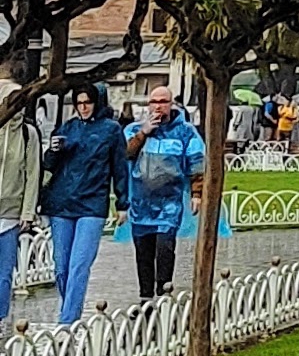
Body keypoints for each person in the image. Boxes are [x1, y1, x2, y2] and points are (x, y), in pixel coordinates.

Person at [42, 81, 128, 324]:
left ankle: (67, 320)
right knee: (61, 266)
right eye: (79, 103)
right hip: (61, 203)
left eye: (87, 102)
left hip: (92, 204)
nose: (83, 107)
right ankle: (69, 307)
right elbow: (49, 165)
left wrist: (123, 202)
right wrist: (53, 151)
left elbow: (120, 167)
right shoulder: (67, 127)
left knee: (80, 264)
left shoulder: (111, 130)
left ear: (96, 102)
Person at [124, 85, 204, 301]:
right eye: (154, 102)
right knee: (143, 252)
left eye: (163, 102)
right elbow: (126, 153)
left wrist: (197, 193)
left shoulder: (186, 132)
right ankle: (146, 297)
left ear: (171, 104)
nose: (158, 106)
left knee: (165, 248)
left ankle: (163, 293)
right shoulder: (134, 129)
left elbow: (196, 162)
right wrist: (143, 133)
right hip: (141, 204)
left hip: (170, 204)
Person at [0, 57, 39, 322]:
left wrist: (27, 212)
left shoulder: (28, 134)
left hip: (10, 215)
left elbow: (33, 173)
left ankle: (1, 320)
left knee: (4, 274)